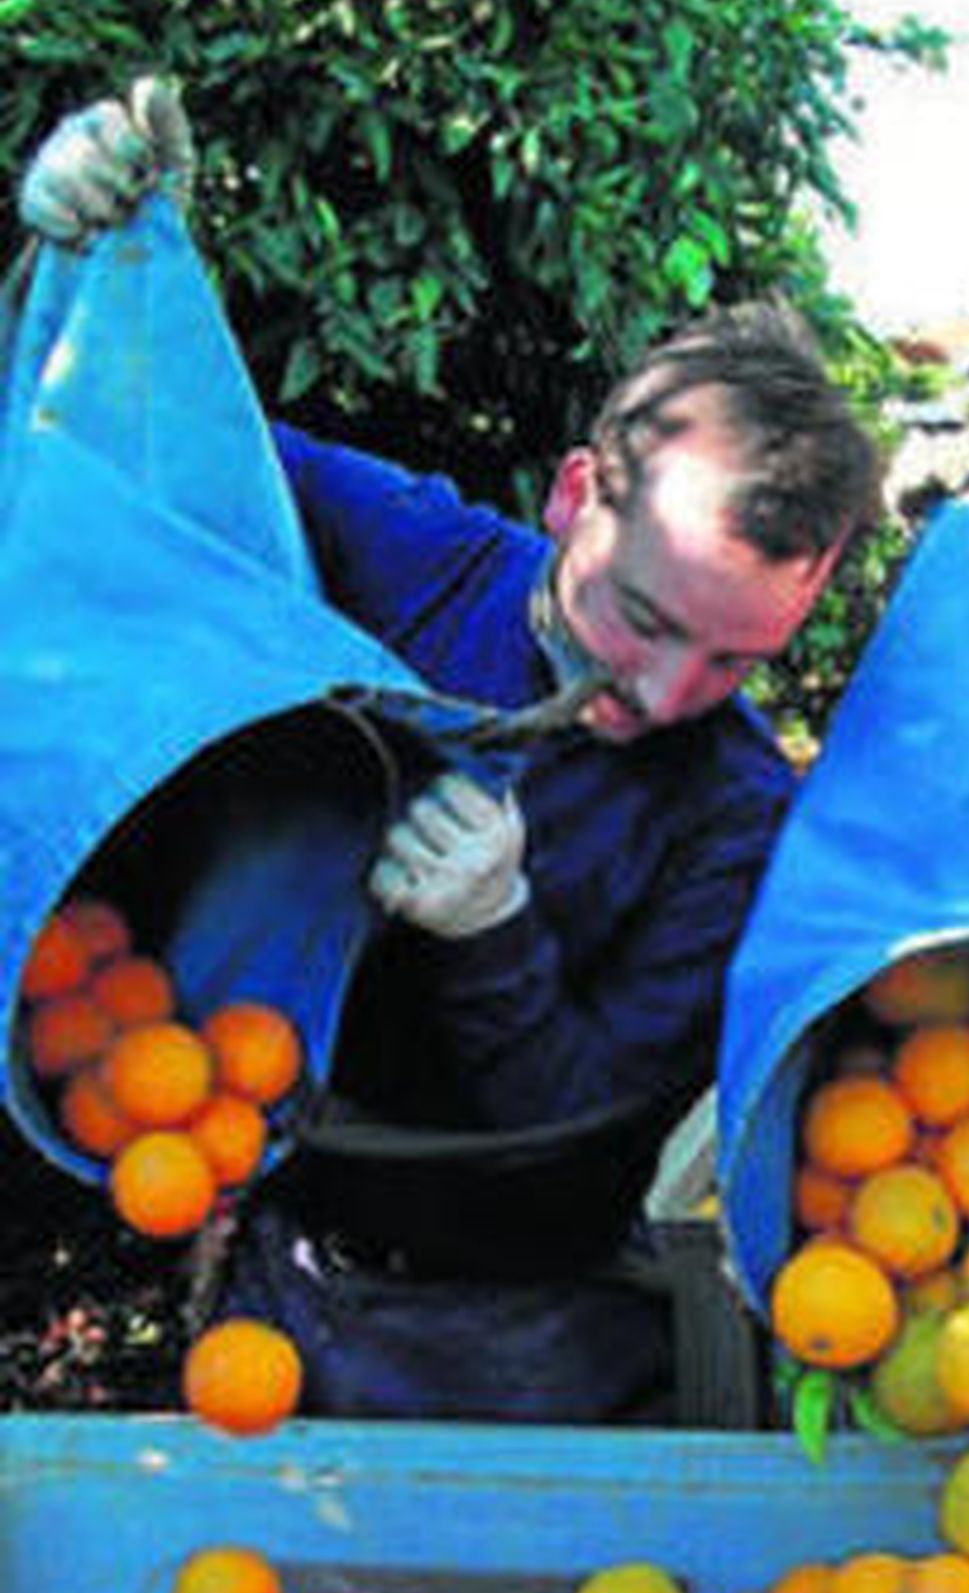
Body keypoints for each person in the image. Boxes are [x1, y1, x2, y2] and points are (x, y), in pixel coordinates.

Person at [18, 80, 882, 1421]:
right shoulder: (409, 557)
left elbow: (585, 1155)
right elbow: (119, 474)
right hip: (280, 1295)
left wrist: (497, 933)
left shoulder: (735, 810)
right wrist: (95, 264)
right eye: (641, 617)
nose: (661, 690)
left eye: (734, 660)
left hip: (552, 1354)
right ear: (577, 493)